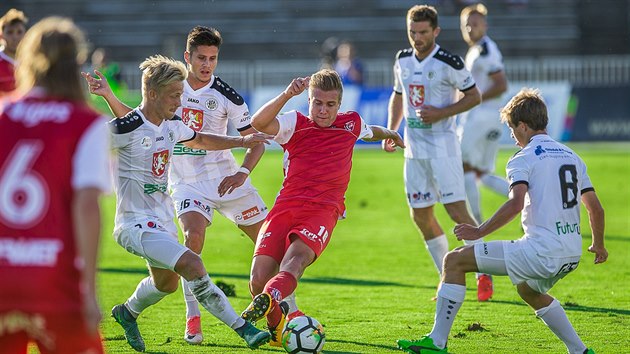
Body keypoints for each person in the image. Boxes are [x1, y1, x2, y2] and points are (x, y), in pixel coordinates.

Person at [83, 25, 300, 346]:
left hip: (216, 185)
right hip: (171, 196)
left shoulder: (191, 111)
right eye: (201, 57)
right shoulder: (156, 103)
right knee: (192, 253)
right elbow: (122, 127)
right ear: (188, 57)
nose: (180, 102)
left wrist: (241, 147)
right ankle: (229, 326)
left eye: (213, 58)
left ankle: (128, 311)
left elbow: (198, 137)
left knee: (169, 282)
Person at [397, 88, 606, 354]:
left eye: (512, 129)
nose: (512, 136)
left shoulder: (523, 158)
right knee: (528, 290)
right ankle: (580, 351)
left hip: (541, 252)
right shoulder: (572, 156)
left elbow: (515, 203)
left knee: (454, 260)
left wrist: (479, 230)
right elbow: (596, 209)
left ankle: (436, 343)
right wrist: (598, 245)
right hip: (571, 253)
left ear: (523, 126)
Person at [239, 69, 405, 346]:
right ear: (308, 100)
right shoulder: (296, 123)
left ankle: (272, 299)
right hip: (286, 205)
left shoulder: (350, 123)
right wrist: (287, 94)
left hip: (323, 211)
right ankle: (277, 325)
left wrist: (391, 133)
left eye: (330, 105)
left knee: (294, 262)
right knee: (257, 280)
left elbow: (370, 132)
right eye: (317, 103)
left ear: (339, 105)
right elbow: (259, 122)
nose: (323, 110)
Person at [0, 17, 109, 353]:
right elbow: (87, 207)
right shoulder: (86, 121)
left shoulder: (3, 114)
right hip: (55, 281)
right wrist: (89, 292)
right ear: (75, 63)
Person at [383, 4, 493, 301]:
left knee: (457, 212)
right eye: (412, 32)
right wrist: (392, 129)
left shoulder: (449, 62)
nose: (416, 38)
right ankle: (446, 276)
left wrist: (443, 112)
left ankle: (485, 271)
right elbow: (398, 94)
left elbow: (475, 96)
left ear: (436, 31)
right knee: (420, 214)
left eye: (422, 32)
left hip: (443, 148)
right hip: (413, 150)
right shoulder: (402, 59)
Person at [458, 3, 510, 225]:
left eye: (475, 24)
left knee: (462, 166)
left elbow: (500, 85)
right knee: (482, 174)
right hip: (491, 118)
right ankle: (530, 200)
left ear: (485, 25)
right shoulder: (478, 49)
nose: (470, 29)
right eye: (467, 25)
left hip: (481, 116)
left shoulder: (485, 51)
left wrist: (474, 99)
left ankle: (475, 222)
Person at [0, 8, 27, 96]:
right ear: (2, 35)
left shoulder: (32, 61)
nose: (15, 37)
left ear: (25, 34)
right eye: (10, 32)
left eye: (19, 32)